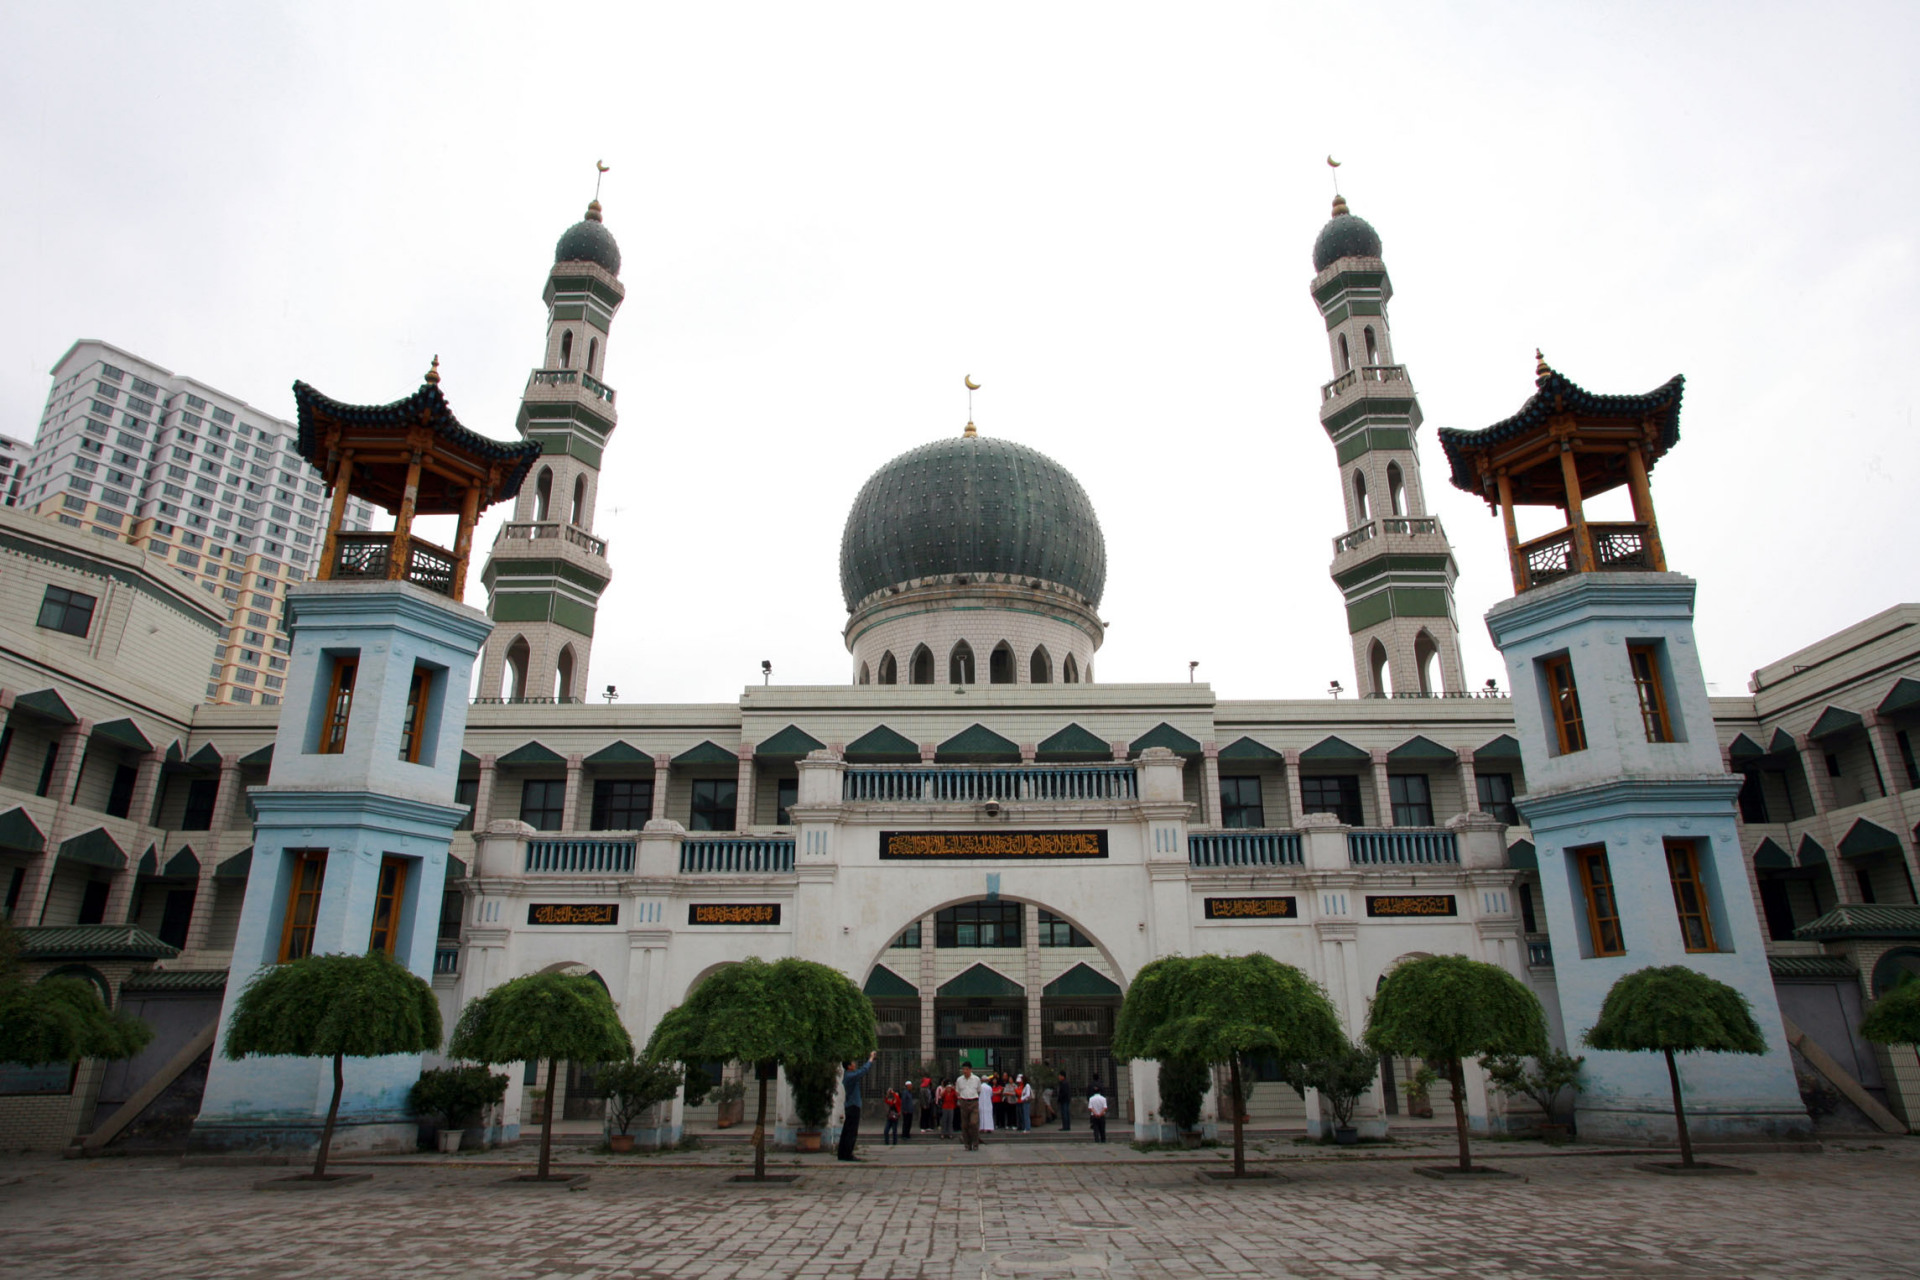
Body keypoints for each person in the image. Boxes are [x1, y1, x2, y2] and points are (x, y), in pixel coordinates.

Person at [838, 1050, 877, 1162]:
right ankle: (848, 1153)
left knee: (847, 1130)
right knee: (851, 1131)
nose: (854, 1064)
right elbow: (863, 1071)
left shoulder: (847, 1075)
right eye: (852, 1063)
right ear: (849, 1066)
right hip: (853, 1106)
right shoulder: (850, 1076)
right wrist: (870, 1059)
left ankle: (842, 1153)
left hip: (850, 1105)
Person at [955, 1063, 983, 1151]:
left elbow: (979, 1091)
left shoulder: (976, 1079)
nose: (965, 1071)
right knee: (965, 1124)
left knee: (974, 1123)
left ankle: (975, 1143)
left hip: (973, 1102)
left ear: (970, 1070)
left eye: (967, 1069)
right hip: (963, 1102)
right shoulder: (959, 1080)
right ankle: (967, 1144)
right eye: (963, 1069)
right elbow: (957, 1091)